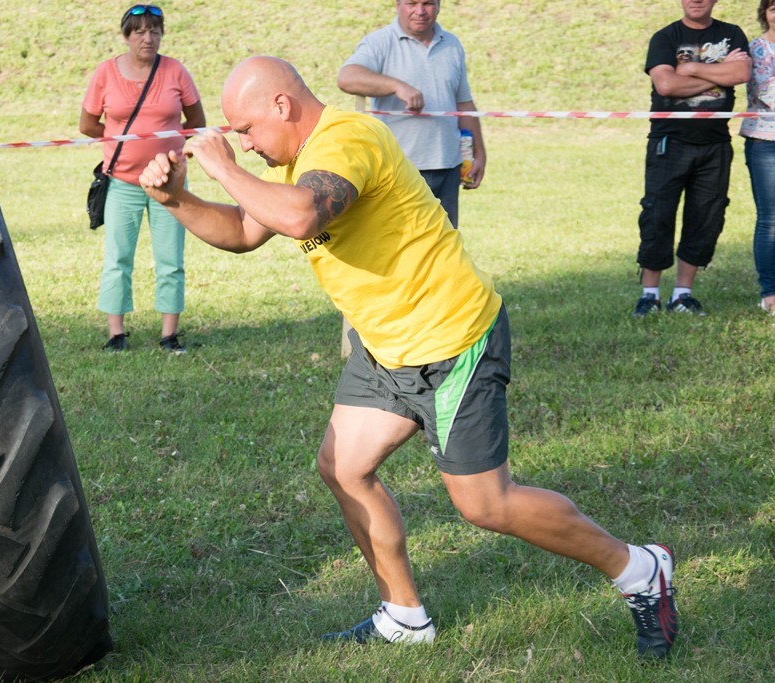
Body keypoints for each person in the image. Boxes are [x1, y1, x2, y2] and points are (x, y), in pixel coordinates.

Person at [139, 56, 679, 658]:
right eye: (234, 136)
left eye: (245, 129)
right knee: (343, 468)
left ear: (281, 107)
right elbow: (244, 231)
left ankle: (640, 569)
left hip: (453, 341)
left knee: (486, 505)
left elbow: (299, 216)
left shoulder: (349, 139)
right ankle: (404, 614)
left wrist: (217, 164)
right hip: (386, 350)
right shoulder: (291, 158)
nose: (242, 142)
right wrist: (175, 198)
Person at [79, 4, 205, 354]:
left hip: (168, 183)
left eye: (154, 31)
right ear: (126, 36)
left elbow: (195, 121)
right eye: (139, 31)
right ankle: (116, 334)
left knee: (171, 258)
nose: (147, 38)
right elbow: (87, 124)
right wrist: (123, 140)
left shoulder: (175, 71)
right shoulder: (106, 73)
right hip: (122, 181)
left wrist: (176, 154)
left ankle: (169, 334)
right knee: (118, 257)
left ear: (162, 34)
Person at [632, 0, 750, 318]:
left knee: (706, 217)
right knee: (658, 214)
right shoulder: (665, 38)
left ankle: (683, 296)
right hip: (669, 141)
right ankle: (650, 296)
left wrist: (692, 69)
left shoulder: (732, 34)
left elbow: (741, 72)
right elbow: (666, 84)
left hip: (715, 144)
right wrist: (719, 75)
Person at [337, 0, 484, 229]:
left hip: (449, 166)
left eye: (428, 3)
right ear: (398, 5)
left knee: (445, 248)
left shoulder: (452, 44)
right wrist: (397, 86)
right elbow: (347, 78)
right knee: (400, 247)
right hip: (399, 169)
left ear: (438, 5)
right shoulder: (380, 42)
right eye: (412, 3)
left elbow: (463, 103)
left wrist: (479, 154)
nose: (420, 11)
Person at [741, 0, 775, 316]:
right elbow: (766, 94)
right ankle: (770, 294)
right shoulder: (753, 49)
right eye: (774, 7)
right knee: (771, 219)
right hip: (765, 141)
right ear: (764, 13)